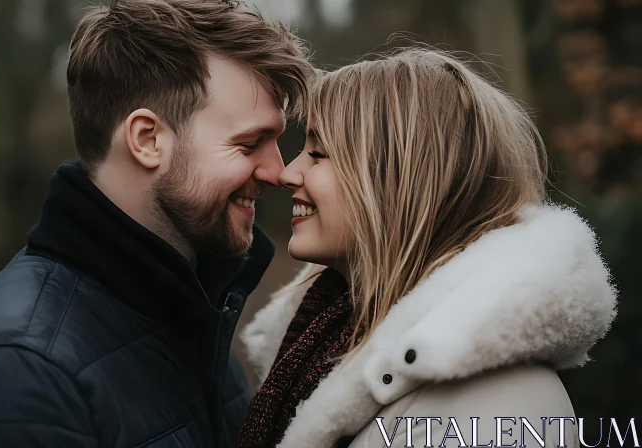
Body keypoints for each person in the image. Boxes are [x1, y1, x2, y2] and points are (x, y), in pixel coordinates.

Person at [0, 1, 312, 447]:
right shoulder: (11, 380)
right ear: (147, 140)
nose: (280, 171)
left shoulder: (194, 325)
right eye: (250, 144)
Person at [237, 49, 617, 448]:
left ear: (399, 183)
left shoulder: (499, 405)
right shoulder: (320, 339)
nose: (287, 173)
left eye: (317, 154)